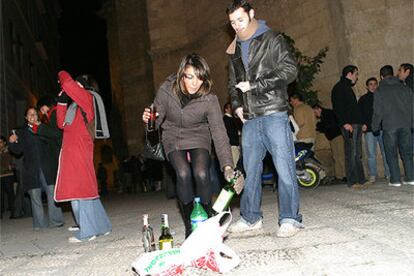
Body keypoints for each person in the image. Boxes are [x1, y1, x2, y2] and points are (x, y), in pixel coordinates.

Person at [225, 0, 302, 238]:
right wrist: (237, 105)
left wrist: (256, 86)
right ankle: (250, 218)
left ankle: (290, 218)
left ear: (251, 14)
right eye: (232, 22)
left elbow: (290, 70)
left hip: (274, 112)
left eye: (240, 19)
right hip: (249, 118)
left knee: (284, 168)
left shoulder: (271, 39)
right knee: (250, 169)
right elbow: (232, 82)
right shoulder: (235, 48)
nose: (237, 25)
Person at [142, 53, 234, 238]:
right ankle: (189, 228)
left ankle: (208, 220)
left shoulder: (209, 99)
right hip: (173, 136)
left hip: (199, 135)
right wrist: (148, 122)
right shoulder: (167, 90)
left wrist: (227, 165)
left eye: (199, 78)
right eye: (190, 77)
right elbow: (154, 125)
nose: (194, 83)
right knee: (183, 172)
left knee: (201, 172)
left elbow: (218, 132)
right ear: (182, 74)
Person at [55, 71, 112, 242]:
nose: (74, 88)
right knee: (85, 189)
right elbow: (61, 124)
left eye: (77, 85)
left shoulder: (87, 97)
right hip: (73, 150)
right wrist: (62, 102)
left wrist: (61, 73)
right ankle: (102, 226)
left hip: (79, 149)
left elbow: (67, 84)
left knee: (78, 190)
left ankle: (87, 231)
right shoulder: (75, 106)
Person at [8, 107, 64, 230]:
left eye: (34, 114)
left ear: (38, 116)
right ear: (26, 117)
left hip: (47, 167)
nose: (32, 116)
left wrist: (41, 129)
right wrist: (13, 142)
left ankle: (56, 221)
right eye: (29, 114)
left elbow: (55, 139)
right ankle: (39, 224)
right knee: (35, 196)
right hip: (31, 169)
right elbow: (17, 151)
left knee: (51, 193)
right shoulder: (21, 132)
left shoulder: (44, 128)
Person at [372, 65, 414, 186]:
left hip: (389, 125)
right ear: (393, 74)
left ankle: (395, 180)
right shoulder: (405, 88)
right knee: (407, 152)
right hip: (405, 124)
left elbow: (377, 111)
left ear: (381, 76)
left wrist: (375, 126)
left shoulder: (380, 90)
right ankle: (411, 178)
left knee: (391, 153)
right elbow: (412, 107)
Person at [331, 65, 367, 188]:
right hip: (349, 125)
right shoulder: (339, 88)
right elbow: (338, 108)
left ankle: (361, 179)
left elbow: (353, 109)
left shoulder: (346, 87)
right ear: (350, 74)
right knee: (351, 153)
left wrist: (361, 123)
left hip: (355, 124)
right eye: (356, 74)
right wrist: (344, 123)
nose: (357, 77)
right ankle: (352, 181)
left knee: (357, 153)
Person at [358, 77, 390, 183]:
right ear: (367, 86)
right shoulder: (363, 99)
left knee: (386, 152)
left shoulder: (382, 97)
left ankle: (389, 173)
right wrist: (362, 124)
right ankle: (373, 175)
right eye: (370, 84)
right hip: (369, 130)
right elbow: (360, 114)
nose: (373, 86)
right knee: (371, 154)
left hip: (382, 129)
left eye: (375, 84)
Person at [312, 104, 346, 183]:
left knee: (340, 156)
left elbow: (329, 125)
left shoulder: (328, 113)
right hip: (332, 137)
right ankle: (339, 176)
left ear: (319, 109)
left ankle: (344, 175)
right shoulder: (323, 116)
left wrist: (321, 126)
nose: (315, 114)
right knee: (335, 157)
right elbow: (322, 127)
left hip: (337, 136)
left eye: (315, 112)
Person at [37, 96, 63, 184]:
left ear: (46, 105)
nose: (42, 112)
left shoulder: (54, 113)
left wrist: (40, 127)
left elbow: (57, 133)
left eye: (42, 108)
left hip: (61, 151)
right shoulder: (55, 112)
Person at [0, 136, 16, 219]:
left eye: (1, 142)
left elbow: (13, 163)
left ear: (4, 142)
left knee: (10, 194)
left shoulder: (9, 151)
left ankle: (13, 212)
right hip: (0, 176)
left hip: (8, 175)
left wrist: (11, 166)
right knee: (0, 196)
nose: (0, 144)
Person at [223, 103, 241, 167]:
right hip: (232, 144)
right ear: (226, 109)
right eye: (229, 107)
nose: (231, 109)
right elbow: (230, 132)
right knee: (234, 163)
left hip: (234, 144)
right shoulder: (227, 119)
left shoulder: (229, 119)